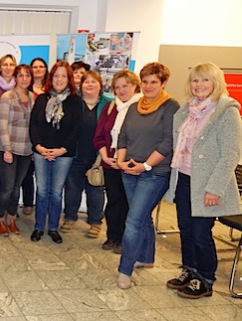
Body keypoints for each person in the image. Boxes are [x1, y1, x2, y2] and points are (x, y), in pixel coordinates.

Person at [164, 62, 242, 299]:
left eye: (205, 80)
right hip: (185, 179)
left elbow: (231, 154)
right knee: (186, 230)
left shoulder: (227, 112)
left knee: (201, 233)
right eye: (195, 80)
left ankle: (206, 279)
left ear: (216, 82)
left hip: (207, 184)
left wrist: (215, 188)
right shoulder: (188, 110)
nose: (199, 85)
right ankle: (190, 270)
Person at [115, 62, 179, 289]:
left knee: (133, 220)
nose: (149, 86)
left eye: (154, 82)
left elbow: (168, 142)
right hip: (129, 170)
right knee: (141, 217)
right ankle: (147, 257)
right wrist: (122, 161)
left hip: (154, 173)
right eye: (145, 81)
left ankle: (125, 270)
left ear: (163, 83)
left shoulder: (171, 107)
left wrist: (145, 166)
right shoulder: (135, 107)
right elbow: (123, 136)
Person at [29, 61, 82, 244]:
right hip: (41, 152)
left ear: (69, 79)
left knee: (56, 192)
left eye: (63, 76)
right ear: (51, 78)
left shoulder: (75, 101)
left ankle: (53, 227)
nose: (59, 79)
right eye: (56, 75)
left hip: (64, 154)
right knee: (42, 191)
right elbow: (33, 125)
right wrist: (38, 147)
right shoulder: (42, 99)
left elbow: (76, 129)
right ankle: (38, 227)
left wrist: (61, 150)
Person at [93, 70, 142, 254]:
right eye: (117, 87)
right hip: (110, 163)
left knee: (129, 204)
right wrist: (105, 157)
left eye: (125, 86)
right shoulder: (111, 108)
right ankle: (112, 237)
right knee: (113, 202)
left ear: (135, 86)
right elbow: (98, 137)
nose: (121, 91)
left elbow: (141, 139)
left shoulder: (142, 107)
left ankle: (125, 240)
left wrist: (124, 160)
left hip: (131, 165)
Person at [61, 71, 111, 237]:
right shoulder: (74, 102)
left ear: (100, 85)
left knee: (95, 190)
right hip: (75, 153)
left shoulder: (109, 104)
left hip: (97, 156)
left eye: (93, 82)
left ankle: (95, 222)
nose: (90, 85)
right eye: (86, 82)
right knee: (72, 189)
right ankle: (69, 217)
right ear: (81, 86)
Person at [0, 64, 36, 236]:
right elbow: (2, 124)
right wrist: (8, 149)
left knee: (17, 186)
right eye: (21, 75)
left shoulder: (33, 97)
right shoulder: (7, 97)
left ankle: (11, 218)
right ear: (15, 78)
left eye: (27, 76)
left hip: (26, 150)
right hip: (8, 149)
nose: (24, 79)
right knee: (7, 187)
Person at [22, 57, 50, 216]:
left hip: (46, 138)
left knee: (43, 177)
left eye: (41, 66)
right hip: (27, 137)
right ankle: (27, 202)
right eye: (35, 67)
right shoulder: (27, 88)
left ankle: (43, 204)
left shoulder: (51, 89)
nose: (38, 69)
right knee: (27, 173)